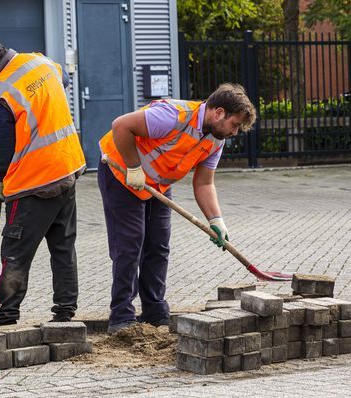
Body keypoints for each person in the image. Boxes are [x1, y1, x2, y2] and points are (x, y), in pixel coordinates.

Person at [97, 83, 256, 334]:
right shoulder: (173, 116)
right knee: (130, 244)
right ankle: (121, 317)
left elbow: (204, 182)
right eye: (234, 124)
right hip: (121, 173)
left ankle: (155, 312)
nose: (235, 132)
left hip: (157, 185)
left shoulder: (215, 140)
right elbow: (121, 125)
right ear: (219, 113)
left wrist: (216, 220)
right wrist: (133, 168)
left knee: (158, 245)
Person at [0, 36, 86, 326]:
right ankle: (65, 312)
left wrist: (1, 179)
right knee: (63, 246)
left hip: (32, 182)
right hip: (67, 169)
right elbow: (63, 81)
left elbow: (2, 145)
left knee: (15, 252)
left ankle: (6, 315)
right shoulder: (42, 63)